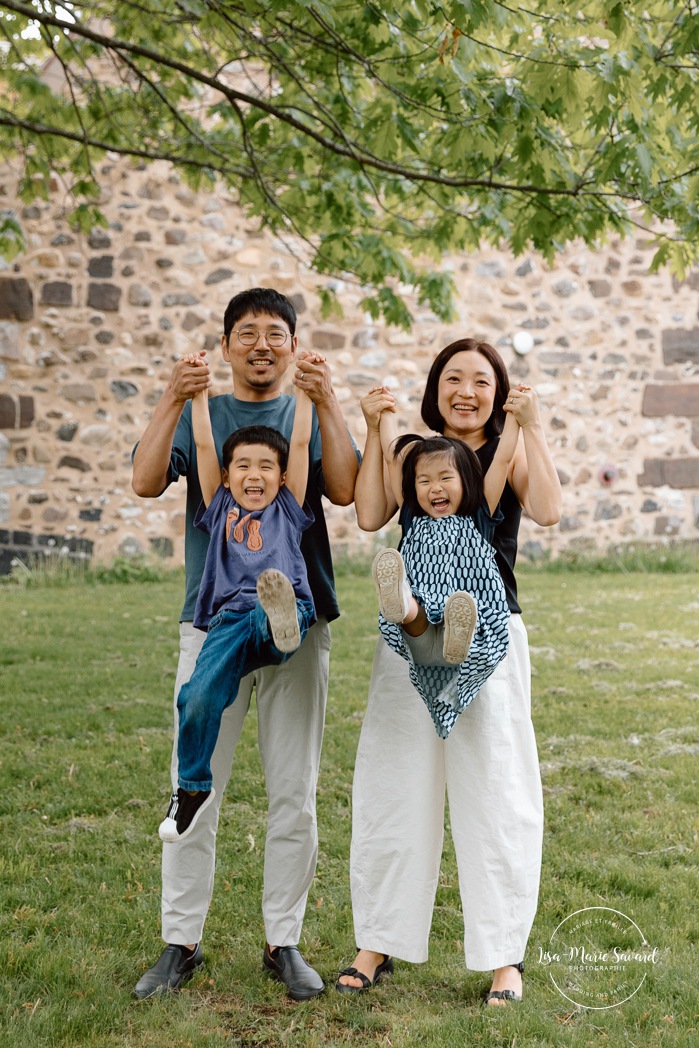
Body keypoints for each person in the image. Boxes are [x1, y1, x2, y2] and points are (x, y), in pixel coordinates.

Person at [131, 288, 359, 1002]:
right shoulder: (206, 412)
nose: (261, 345)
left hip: (297, 622)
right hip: (212, 623)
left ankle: (282, 942)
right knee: (195, 782)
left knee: (294, 791)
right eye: (247, 333)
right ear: (227, 345)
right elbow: (143, 479)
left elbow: (347, 491)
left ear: (293, 345)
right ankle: (180, 942)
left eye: (275, 334)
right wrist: (173, 393)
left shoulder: (304, 411)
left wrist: (329, 402)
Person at [338, 338, 561, 1004]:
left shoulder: (504, 449)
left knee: (494, 789)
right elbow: (373, 514)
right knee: (393, 781)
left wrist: (530, 428)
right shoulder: (414, 454)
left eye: (481, 381)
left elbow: (546, 509)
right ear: (435, 388)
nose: (466, 391)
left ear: (498, 392)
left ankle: (503, 958)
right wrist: (376, 427)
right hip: (410, 637)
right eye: (453, 379)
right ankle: (377, 940)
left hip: (487, 633)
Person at [158, 356, 320, 843]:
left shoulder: (289, 509)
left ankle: (281, 625)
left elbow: (300, 441)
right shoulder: (219, 506)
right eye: (243, 466)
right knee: (196, 695)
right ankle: (190, 789)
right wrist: (198, 396)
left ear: (283, 478)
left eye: (267, 466)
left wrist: (307, 393)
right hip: (229, 620)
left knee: (273, 617)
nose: (255, 474)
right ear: (227, 477)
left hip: (284, 605)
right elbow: (204, 443)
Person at [369, 404, 521, 739]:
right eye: (424, 481)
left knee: (462, 609)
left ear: (468, 481)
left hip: (470, 636)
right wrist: (386, 417)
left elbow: (505, 458)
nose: (434, 488)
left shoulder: (481, 513)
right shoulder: (413, 515)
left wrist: (514, 418)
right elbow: (394, 459)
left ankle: (456, 629)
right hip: (419, 637)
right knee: (413, 611)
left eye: (445, 478)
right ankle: (400, 601)